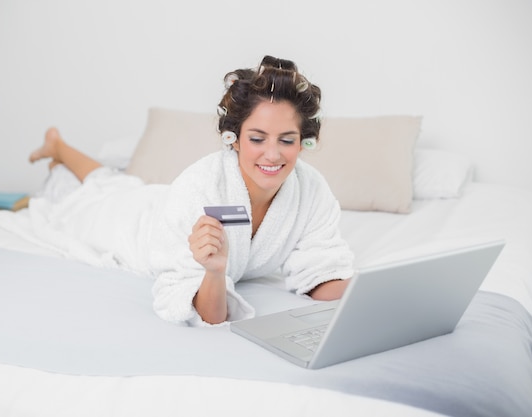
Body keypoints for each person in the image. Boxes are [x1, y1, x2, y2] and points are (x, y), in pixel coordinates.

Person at [29, 55, 355, 326]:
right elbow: (208, 316)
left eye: (287, 140)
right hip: (137, 226)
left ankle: (58, 147)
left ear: (303, 141)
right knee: (95, 198)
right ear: (234, 138)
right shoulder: (199, 186)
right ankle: (58, 148)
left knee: (115, 182)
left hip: (161, 199)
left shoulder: (310, 189)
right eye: (257, 139)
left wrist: (373, 296)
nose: (273, 154)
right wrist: (214, 271)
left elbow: (320, 272)